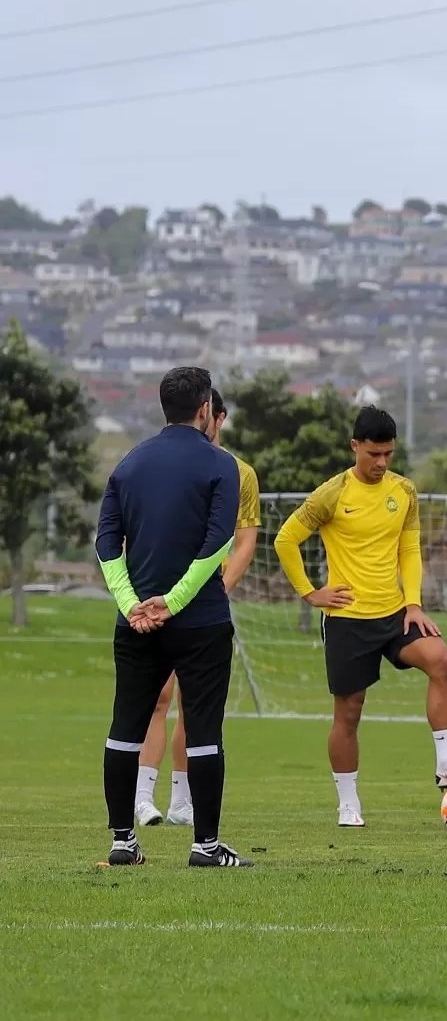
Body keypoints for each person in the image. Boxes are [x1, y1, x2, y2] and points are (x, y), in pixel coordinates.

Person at [275, 406, 447, 826]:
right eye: (373, 454)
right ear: (355, 446)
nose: (380, 463)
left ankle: (446, 764)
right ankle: (348, 802)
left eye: (388, 455)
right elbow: (286, 539)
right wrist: (309, 592)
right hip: (347, 618)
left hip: (396, 613)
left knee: (442, 661)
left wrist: (413, 602)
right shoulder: (331, 494)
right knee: (349, 711)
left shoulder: (404, 492)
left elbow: (409, 550)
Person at [97, 366, 252, 867]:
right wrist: (177, 600)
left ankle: (124, 842)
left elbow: (105, 542)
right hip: (201, 619)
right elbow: (218, 542)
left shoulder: (128, 463)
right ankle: (205, 846)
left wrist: (130, 604)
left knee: (126, 728)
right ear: (206, 408)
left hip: (136, 622)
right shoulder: (222, 464)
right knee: (204, 728)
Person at [136, 387, 260, 829]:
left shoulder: (239, 473)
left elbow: (245, 539)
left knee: (196, 703)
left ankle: (182, 801)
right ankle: (141, 798)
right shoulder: (162, 463)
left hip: (204, 602)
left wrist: (218, 588)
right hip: (158, 596)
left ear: (217, 416)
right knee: (157, 696)